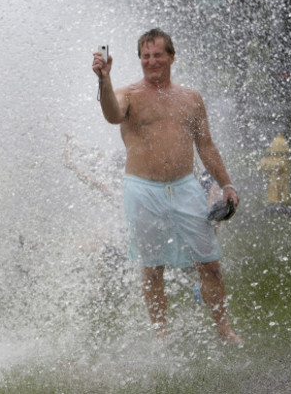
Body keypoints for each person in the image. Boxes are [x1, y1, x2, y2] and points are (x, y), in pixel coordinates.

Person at [91, 28, 241, 343]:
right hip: (143, 190)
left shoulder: (191, 98)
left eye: (158, 54)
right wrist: (104, 80)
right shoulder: (128, 94)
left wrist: (226, 184)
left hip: (186, 188)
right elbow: (111, 115)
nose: (152, 61)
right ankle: (162, 335)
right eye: (145, 56)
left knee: (209, 263)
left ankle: (224, 330)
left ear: (171, 57)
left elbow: (207, 146)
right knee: (153, 267)